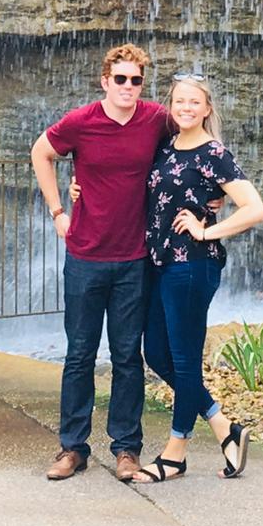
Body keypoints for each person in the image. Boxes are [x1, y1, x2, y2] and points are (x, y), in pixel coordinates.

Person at [30, 43, 170, 483]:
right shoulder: (82, 122)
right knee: (80, 355)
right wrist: (58, 211)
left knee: (128, 356)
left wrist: (217, 193)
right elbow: (41, 153)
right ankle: (73, 448)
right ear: (105, 81)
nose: (129, 87)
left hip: (134, 258)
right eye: (121, 79)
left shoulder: (155, 120)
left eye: (136, 80)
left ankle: (127, 449)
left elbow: (192, 143)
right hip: (86, 255)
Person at [138, 71, 263, 483]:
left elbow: (254, 208)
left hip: (193, 265)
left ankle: (176, 452)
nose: (186, 108)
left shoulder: (215, 153)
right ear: (170, 107)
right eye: (179, 102)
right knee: (156, 352)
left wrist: (207, 229)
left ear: (207, 109)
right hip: (160, 263)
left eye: (195, 102)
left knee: (184, 357)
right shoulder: (165, 146)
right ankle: (224, 427)